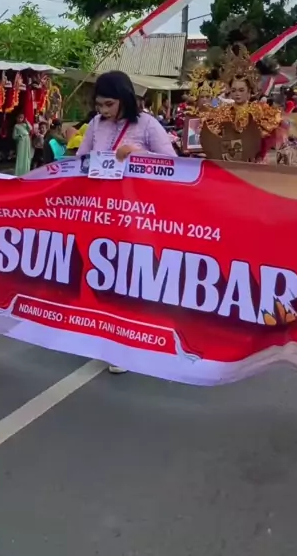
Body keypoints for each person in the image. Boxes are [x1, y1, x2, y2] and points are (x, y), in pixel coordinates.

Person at [77, 71, 175, 374]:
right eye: (99, 105)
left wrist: (136, 154)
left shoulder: (147, 124)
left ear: (125, 99)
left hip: (136, 214)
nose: (103, 111)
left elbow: (172, 164)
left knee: (127, 278)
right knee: (99, 274)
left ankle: (124, 346)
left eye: (109, 104)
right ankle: (102, 335)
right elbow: (80, 160)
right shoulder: (96, 124)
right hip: (100, 211)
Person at [12, 112, 33, 176]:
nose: (20, 119)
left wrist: (27, 122)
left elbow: (30, 128)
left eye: (22, 118)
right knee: (21, 155)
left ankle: (26, 171)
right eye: (19, 118)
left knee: (26, 155)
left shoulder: (25, 125)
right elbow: (14, 136)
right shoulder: (16, 126)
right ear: (16, 118)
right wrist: (19, 136)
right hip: (21, 141)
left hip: (27, 140)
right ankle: (19, 172)